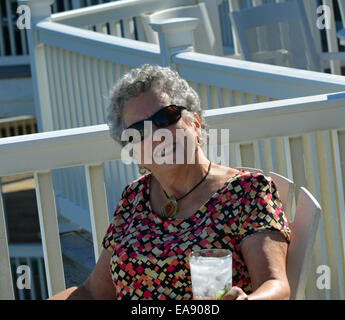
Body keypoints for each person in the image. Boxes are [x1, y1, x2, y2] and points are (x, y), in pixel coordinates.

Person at [49, 64, 291, 300]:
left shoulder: (247, 192)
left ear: (195, 124)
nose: (157, 136)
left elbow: (275, 284)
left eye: (166, 118)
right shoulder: (134, 198)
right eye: (140, 131)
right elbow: (93, 292)